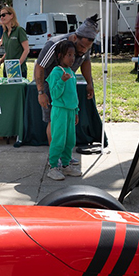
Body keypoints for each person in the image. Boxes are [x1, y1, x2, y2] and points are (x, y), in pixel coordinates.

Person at [34, 15, 98, 144]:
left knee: (68, 120)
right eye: (81, 47)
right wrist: (41, 92)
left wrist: (89, 83)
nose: (83, 50)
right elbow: (39, 67)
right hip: (50, 84)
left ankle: (64, 155)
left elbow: (86, 62)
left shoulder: (85, 46)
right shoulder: (55, 44)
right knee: (55, 120)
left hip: (67, 84)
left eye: (87, 48)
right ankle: (54, 155)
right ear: (75, 37)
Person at [44, 40, 81, 181]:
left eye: (74, 55)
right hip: (60, 111)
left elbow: (73, 94)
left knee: (70, 139)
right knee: (58, 139)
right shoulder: (56, 72)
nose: (72, 58)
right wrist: (62, 81)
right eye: (69, 55)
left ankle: (66, 165)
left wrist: (76, 110)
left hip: (71, 111)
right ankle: (53, 167)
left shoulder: (71, 72)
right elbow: (54, 94)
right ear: (60, 55)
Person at [0, 6, 29, 78]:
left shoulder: (19, 30)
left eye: (4, 15)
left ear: (11, 15)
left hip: (19, 70)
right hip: (7, 69)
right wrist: (0, 61)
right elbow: (8, 51)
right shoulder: (5, 33)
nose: (1, 17)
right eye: (0, 15)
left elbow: (26, 50)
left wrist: (18, 65)